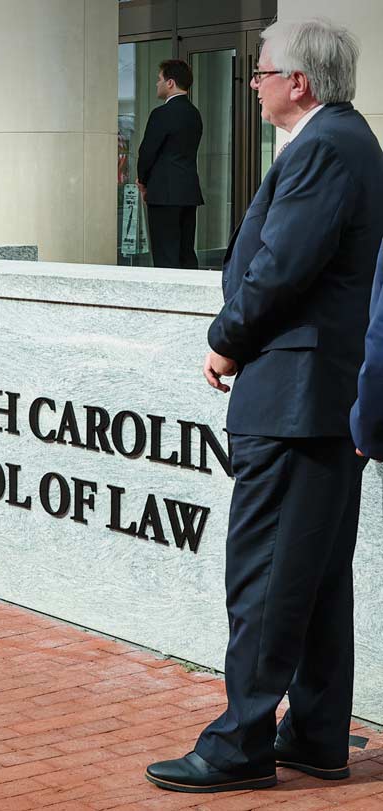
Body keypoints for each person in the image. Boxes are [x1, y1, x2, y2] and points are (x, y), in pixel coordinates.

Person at [145, 19, 383, 794]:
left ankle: (240, 742)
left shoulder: (323, 146)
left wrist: (225, 337)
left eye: (261, 71)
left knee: (265, 577)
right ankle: (313, 732)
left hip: (295, 397)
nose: (252, 83)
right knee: (312, 578)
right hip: (319, 399)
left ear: (300, 83)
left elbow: (282, 267)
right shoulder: (344, 141)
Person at [138, 58, 205, 269]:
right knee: (186, 253)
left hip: (163, 194)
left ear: (170, 83)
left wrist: (143, 181)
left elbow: (147, 152)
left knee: (165, 256)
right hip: (188, 193)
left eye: (159, 79)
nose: (157, 84)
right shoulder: (194, 114)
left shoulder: (161, 114)